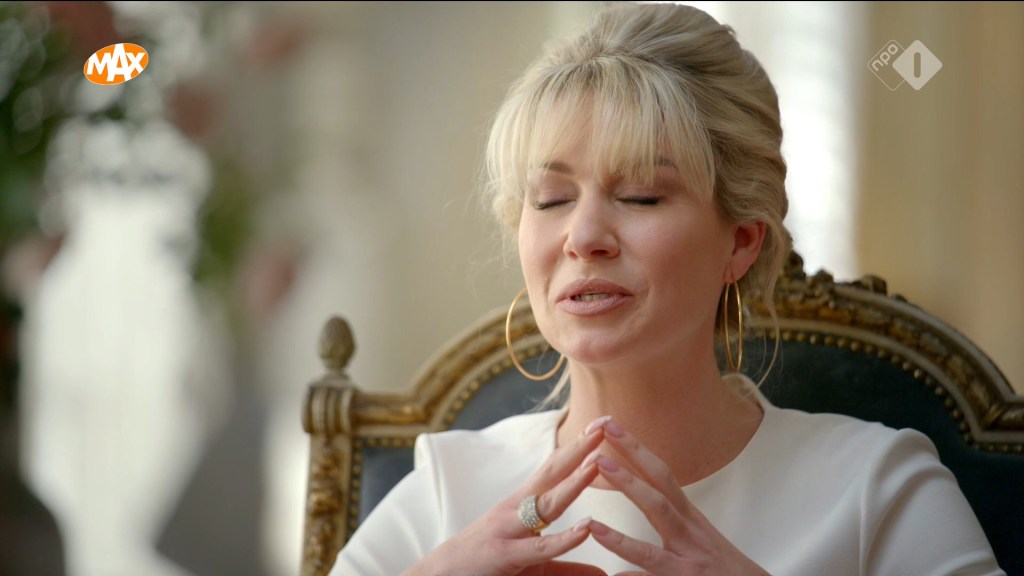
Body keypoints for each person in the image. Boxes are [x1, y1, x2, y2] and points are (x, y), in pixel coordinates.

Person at [331, 3, 1004, 575]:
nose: (583, 237)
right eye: (552, 199)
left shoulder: (877, 491)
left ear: (741, 241)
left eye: (641, 196)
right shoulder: (447, 491)